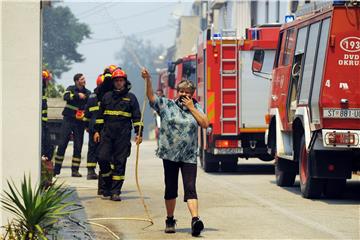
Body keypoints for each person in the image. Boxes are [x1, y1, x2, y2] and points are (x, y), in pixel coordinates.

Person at [142, 68, 209, 236]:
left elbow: (205, 123)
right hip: (170, 155)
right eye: (181, 91)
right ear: (176, 92)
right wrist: (148, 80)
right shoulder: (167, 105)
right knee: (170, 188)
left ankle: (195, 220)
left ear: (192, 94)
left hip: (188, 156)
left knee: (190, 188)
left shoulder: (197, 107)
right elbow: (151, 98)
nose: (183, 94)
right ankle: (170, 219)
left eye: (187, 92)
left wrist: (191, 108)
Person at [94, 68, 143, 201]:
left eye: (121, 80)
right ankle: (108, 182)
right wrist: (97, 131)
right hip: (107, 133)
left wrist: (139, 133)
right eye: (116, 81)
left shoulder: (131, 98)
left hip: (123, 134)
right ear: (113, 82)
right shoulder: (107, 96)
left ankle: (115, 191)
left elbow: (137, 117)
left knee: (120, 162)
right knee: (102, 158)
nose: (119, 83)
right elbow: (99, 116)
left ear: (125, 82)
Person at [54, 73, 91, 177]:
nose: (84, 80)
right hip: (68, 119)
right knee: (62, 144)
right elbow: (65, 96)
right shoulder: (70, 88)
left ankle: (75, 171)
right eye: (82, 79)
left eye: (84, 78)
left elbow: (90, 103)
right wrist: (76, 95)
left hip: (80, 122)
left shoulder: (88, 92)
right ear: (76, 81)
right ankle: (56, 169)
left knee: (78, 146)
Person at [83, 74, 104, 180]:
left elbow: (87, 113)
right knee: (103, 149)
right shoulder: (107, 95)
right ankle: (103, 171)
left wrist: (86, 125)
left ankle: (90, 171)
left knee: (92, 149)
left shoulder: (91, 95)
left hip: (92, 126)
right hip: (102, 126)